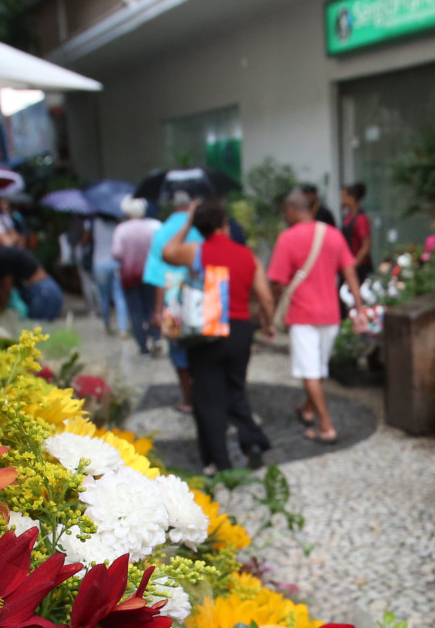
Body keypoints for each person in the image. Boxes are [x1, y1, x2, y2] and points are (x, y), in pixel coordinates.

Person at [163, 198, 277, 472]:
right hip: (240, 331)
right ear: (224, 224)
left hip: (208, 332)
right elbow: (265, 297)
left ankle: (218, 461)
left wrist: (188, 221)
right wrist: (268, 323)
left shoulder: (196, 251)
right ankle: (252, 437)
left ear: (199, 228)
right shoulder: (248, 255)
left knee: (206, 396)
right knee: (235, 389)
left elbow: (167, 252)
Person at [268, 188, 360, 444]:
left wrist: (275, 301)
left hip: (302, 314)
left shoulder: (287, 238)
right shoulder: (333, 234)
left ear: (291, 210)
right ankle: (308, 409)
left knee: (311, 373)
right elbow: (350, 271)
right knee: (318, 370)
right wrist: (359, 307)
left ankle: (327, 427)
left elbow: (276, 280)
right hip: (330, 314)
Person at [146, 190, 201, 411]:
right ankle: (202, 393)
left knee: (178, 351)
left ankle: (188, 399)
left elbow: (158, 277)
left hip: (173, 304)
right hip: (200, 302)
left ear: (171, 205)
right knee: (200, 349)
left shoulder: (161, 233)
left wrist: (157, 311)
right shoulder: (200, 229)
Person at [0, 230, 63, 320]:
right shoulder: (5, 253)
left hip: (44, 293)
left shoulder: (2, 258)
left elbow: (5, 290)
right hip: (48, 290)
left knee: (35, 327)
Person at [111, 196, 160, 355]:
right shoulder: (154, 226)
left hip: (130, 275)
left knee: (136, 311)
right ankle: (156, 337)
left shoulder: (122, 229)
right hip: (151, 274)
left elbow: (116, 253)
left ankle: (142, 345)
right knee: (152, 307)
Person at [89, 205, 127, 336]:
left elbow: (86, 239)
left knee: (103, 297)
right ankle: (123, 329)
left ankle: (107, 324)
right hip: (116, 263)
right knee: (119, 297)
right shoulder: (118, 224)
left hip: (99, 263)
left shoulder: (93, 223)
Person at [341, 182, 374, 281]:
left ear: (351, 197)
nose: (342, 200)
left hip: (358, 269)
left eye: (343, 196)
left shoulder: (361, 219)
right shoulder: (348, 217)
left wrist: (354, 264)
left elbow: (366, 246)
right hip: (347, 266)